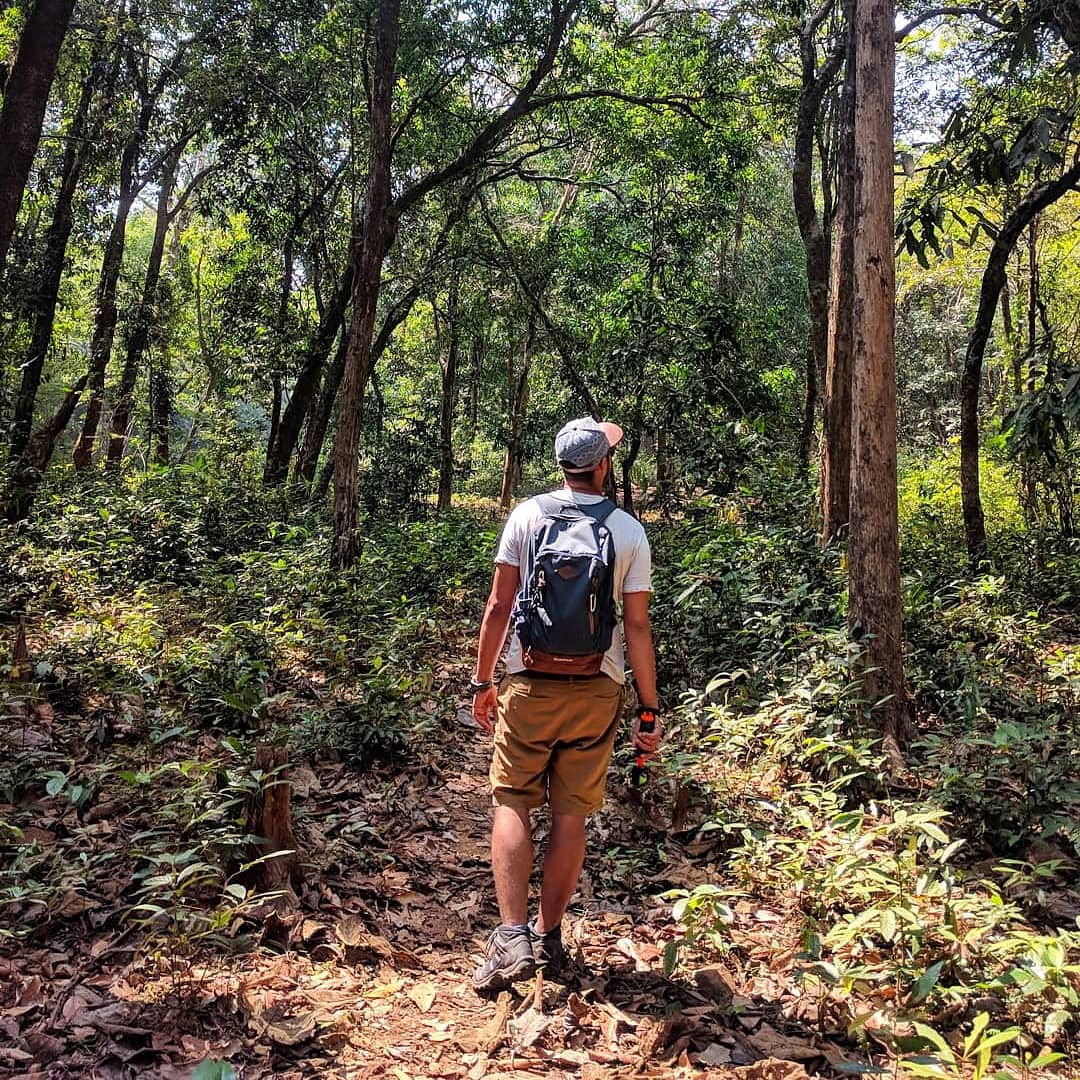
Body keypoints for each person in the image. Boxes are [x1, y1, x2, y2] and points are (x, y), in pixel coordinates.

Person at [469, 416, 661, 991]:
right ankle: (550, 937)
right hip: (598, 688)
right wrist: (647, 708)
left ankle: (511, 937)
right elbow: (637, 626)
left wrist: (483, 683)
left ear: (561, 465)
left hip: (529, 681)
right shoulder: (628, 531)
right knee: (571, 813)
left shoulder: (527, 516)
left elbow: (499, 605)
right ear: (602, 466)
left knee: (512, 801)